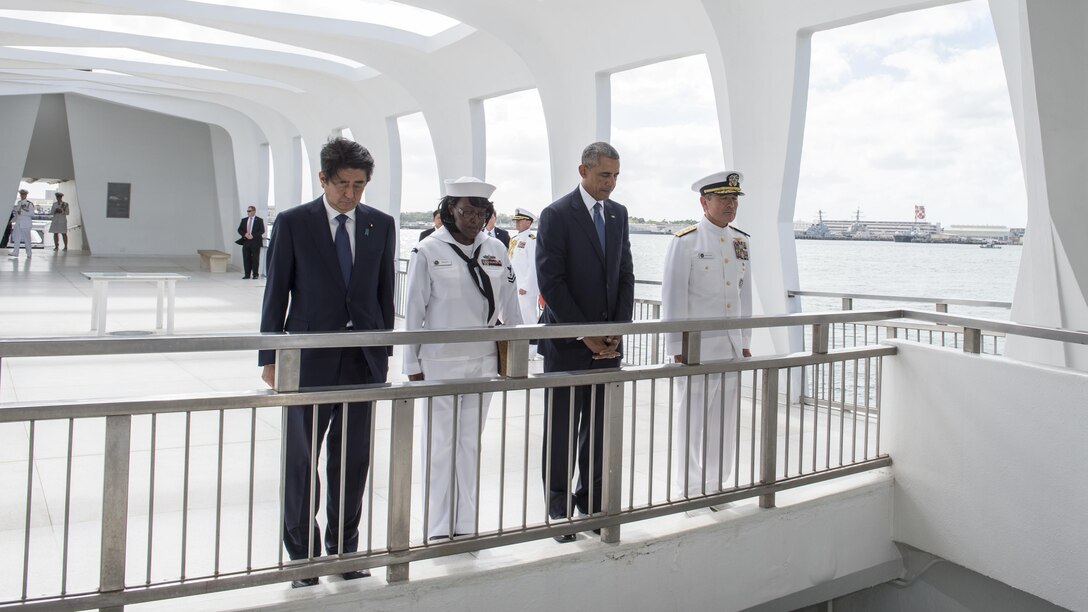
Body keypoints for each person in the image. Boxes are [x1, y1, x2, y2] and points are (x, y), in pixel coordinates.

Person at [259, 137, 395, 587]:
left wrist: (384, 350)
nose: (350, 194)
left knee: (353, 460)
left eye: (359, 185)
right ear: (323, 179)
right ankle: (303, 558)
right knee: (303, 460)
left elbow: (382, 293)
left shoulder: (382, 224)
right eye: (342, 184)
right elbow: (276, 290)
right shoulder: (295, 223)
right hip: (308, 361)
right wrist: (270, 356)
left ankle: (344, 550)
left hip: (362, 362)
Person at [403, 176, 522, 541]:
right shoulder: (428, 250)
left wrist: (517, 357)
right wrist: (412, 364)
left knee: (470, 444)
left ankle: (465, 525)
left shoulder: (496, 250)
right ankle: (438, 527)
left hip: (481, 362)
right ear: (449, 210)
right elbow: (412, 313)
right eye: (466, 211)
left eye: (481, 212)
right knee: (441, 446)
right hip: (439, 364)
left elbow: (512, 306)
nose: (473, 218)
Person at [535, 142, 634, 541]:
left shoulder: (619, 214)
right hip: (567, 342)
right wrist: (585, 333)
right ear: (583, 170)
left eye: (615, 176)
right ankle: (558, 510)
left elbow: (625, 274)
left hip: (608, 344)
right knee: (562, 429)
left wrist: (616, 331)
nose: (610, 184)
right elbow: (551, 281)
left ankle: (591, 503)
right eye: (603, 175)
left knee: (598, 429)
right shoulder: (556, 215)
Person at [661, 171, 752, 504]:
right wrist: (676, 347)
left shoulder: (741, 241)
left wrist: (744, 340)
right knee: (693, 420)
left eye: (734, 199)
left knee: (724, 421)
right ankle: (688, 487)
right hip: (696, 349)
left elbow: (744, 298)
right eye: (723, 199)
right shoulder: (685, 241)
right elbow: (672, 298)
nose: (730, 205)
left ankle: (716, 483)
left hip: (729, 346)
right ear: (704, 202)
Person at [508, 207, 541, 328]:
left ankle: (534, 343)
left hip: (525, 287)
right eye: (516, 220)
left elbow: (533, 265)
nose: (516, 222)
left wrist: (525, 286)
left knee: (529, 318)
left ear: (528, 222)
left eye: (520, 220)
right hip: (515, 285)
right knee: (518, 317)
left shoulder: (531, 240)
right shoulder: (514, 239)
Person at [236, 205, 265, 279]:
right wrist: (245, 234)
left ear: (254, 211)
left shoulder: (259, 220)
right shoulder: (244, 220)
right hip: (246, 241)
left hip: (255, 242)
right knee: (246, 258)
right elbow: (239, 230)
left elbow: (262, 230)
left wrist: (253, 235)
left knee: (255, 258)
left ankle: (255, 274)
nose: (248, 212)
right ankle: (247, 274)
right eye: (247, 211)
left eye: (249, 211)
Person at [8, 189, 35, 259]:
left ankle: (29, 253)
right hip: (18, 223)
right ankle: (15, 252)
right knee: (16, 238)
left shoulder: (29, 204)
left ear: (26, 195)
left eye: (23, 194)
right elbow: (17, 214)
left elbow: (32, 214)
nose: (22, 195)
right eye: (21, 194)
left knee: (27, 239)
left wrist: (22, 213)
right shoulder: (19, 203)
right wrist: (11, 220)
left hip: (26, 223)